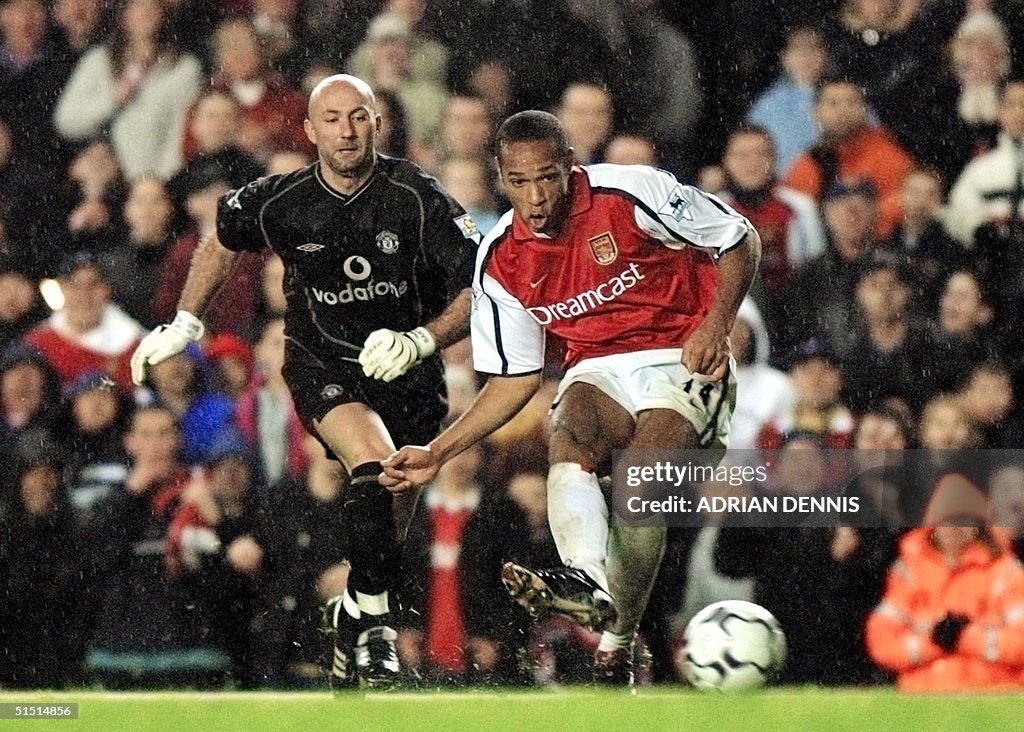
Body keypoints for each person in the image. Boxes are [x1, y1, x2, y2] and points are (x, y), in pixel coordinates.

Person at [381, 110, 760, 685]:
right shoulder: (500, 258)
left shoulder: (632, 191)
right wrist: (439, 451)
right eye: (519, 181)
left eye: (547, 177)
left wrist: (718, 322)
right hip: (597, 368)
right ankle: (584, 581)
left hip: (680, 348)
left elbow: (739, 240)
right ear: (500, 179)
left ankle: (618, 641)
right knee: (570, 434)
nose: (535, 196)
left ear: (570, 168)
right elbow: (513, 380)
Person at [130, 74, 477, 688]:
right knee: (375, 464)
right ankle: (376, 633)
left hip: (411, 374)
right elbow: (222, 237)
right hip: (324, 364)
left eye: (360, 117)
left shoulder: (418, 197)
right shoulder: (284, 198)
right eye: (333, 119)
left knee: (388, 509)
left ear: (379, 124)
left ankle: (353, 612)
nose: (347, 131)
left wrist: (422, 339)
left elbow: (480, 288)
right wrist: (187, 319)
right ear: (311, 131)